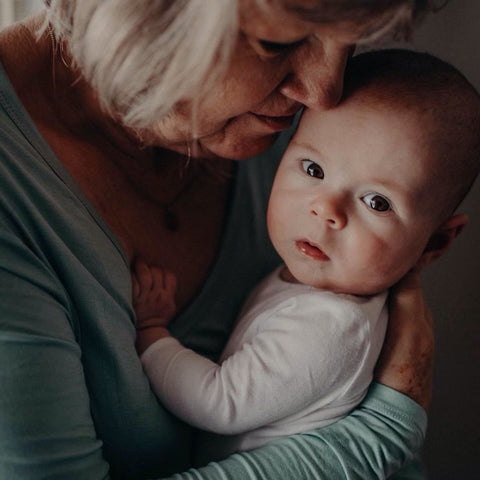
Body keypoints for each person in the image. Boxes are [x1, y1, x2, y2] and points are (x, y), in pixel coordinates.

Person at [0, 1, 438, 479]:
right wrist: (378, 435)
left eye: (350, 37)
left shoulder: (302, 142)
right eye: (278, 42)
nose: (325, 92)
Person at [133, 49, 480, 466]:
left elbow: (219, 402)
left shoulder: (331, 328)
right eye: (313, 170)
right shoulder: (314, 284)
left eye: (376, 201)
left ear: (435, 243)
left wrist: (153, 334)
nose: (326, 209)